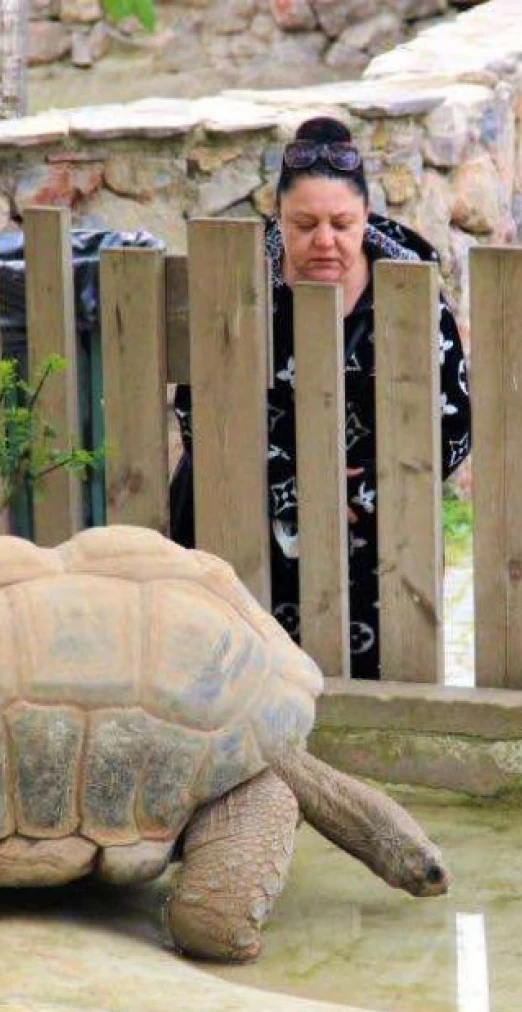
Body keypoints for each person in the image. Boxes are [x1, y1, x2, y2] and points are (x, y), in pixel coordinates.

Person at [169, 116, 473, 679]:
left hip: (373, 527)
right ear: (278, 215)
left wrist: (364, 491)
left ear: (366, 216)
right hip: (244, 515)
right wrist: (299, 488)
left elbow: (452, 425)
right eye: (303, 224)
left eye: (342, 223)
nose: (324, 241)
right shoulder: (238, 282)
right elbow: (198, 412)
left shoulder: (410, 284)